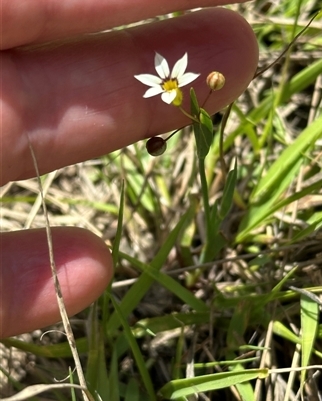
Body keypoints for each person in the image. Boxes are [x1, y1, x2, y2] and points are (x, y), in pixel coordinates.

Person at [0, 0, 258, 338]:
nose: (170, 86)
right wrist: (176, 94)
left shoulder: (183, 88)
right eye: (167, 84)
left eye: (170, 84)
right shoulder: (173, 90)